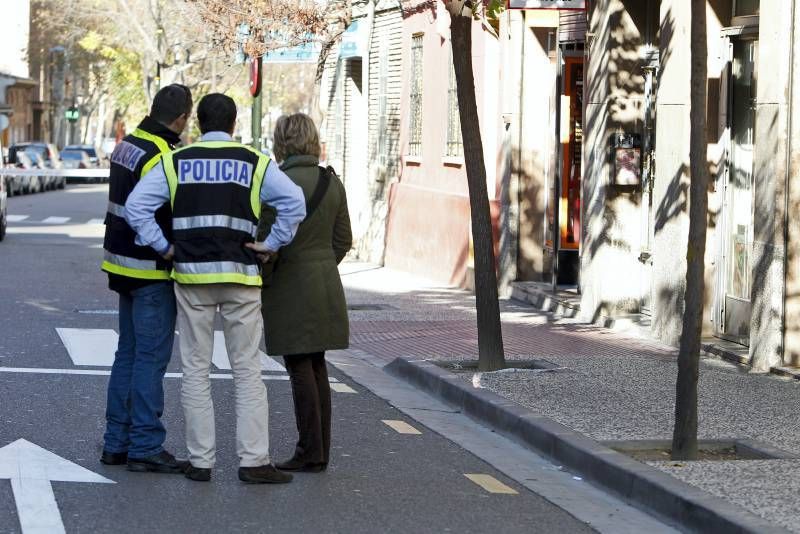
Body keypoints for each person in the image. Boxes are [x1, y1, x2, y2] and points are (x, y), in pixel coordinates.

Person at [125, 93, 306, 484]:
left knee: (194, 370)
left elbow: (136, 206)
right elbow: (294, 202)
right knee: (247, 371)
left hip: (192, 277)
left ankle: (201, 462)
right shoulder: (255, 162)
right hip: (241, 277)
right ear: (234, 124)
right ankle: (254, 461)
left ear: (197, 123)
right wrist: (271, 244)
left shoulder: (174, 162)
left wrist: (164, 246)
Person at [100, 84, 192, 474]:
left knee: (128, 354)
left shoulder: (129, 144)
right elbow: (150, 211)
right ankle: (144, 446)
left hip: (120, 263)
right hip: (149, 266)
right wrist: (167, 248)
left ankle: (115, 443)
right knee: (150, 360)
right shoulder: (160, 155)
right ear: (182, 118)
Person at [257, 113, 352, 472]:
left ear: (282, 141)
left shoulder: (276, 183)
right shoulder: (332, 183)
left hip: (289, 284)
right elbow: (343, 239)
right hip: (326, 283)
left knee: (298, 366)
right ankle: (319, 448)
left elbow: (267, 242)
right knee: (316, 365)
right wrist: (324, 263)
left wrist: (264, 278)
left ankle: (309, 451)